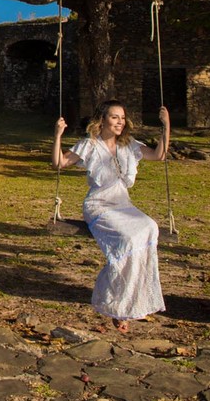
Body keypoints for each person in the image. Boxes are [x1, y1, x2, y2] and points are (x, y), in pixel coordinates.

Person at [51, 100, 170, 332]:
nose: (120, 122)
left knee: (150, 227)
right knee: (128, 239)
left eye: (122, 118)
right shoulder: (89, 145)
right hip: (100, 205)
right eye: (115, 117)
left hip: (123, 204)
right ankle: (115, 302)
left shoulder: (130, 145)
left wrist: (166, 127)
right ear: (103, 120)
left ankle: (129, 302)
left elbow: (159, 155)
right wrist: (57, 135)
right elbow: (59, 163)